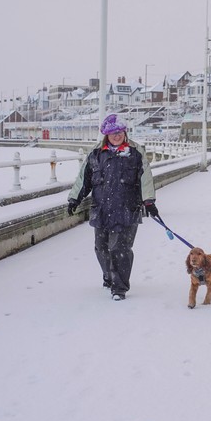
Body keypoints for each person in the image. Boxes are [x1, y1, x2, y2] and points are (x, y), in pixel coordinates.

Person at [67, 114, 159, 300]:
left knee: (120, 249)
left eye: (119, 132)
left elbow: (145, 178)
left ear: (124, 132)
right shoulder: (96, 154)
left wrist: (148, 201)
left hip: (127, 209)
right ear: (106, 135)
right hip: (101, 209)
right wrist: (74, 199)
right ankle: (109, 276)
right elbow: (83, 179)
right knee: (101, 247)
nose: (116, 136)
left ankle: (119, 287)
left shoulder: (135, 153)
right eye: (112, 133)